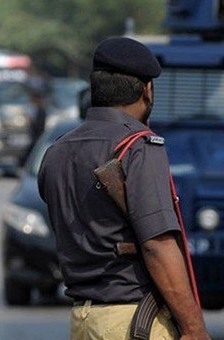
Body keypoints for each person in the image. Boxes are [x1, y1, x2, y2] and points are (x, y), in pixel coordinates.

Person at [38, 37, 209, 339]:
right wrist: (194, 328)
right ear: (147, 90)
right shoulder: (138, 146)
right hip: (132, 322)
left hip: (83, 319)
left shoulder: (56, 151)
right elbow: (157, 244)